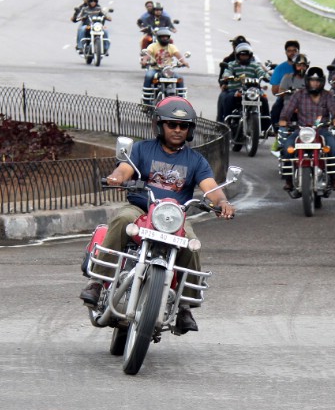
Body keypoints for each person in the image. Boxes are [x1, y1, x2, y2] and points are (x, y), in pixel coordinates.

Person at [80, 97, 235, 333]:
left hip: (174, 217)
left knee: (192, 243)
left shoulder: (196, 160)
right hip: (141, 209)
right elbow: (124, 169)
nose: (177, 130)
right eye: (172, 124)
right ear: (160, 125)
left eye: (183, 126)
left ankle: (184, 307)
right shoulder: (142, 149)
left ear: (189, 130)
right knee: (121, 219)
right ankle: (97, 284)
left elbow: (210, 187)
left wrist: (222, 202)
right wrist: (117, 178)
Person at [277, 66, 335, 191]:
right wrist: (284, 119)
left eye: (317, 81)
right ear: (307, 81)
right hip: (302, 131)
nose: (314, 83)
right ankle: (288, 180)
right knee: (287, 147)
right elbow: (288, 110)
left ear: (322, 82)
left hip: (321, 130)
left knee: (333, 145)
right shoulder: (298, 95)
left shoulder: (328, 95)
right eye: (312, 80)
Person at [220, 42, 270, 124]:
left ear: (250, 55)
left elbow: (261, 73)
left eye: (246, 55)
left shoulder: (255, 65)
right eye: (242, 55)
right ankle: (227, 123)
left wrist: (267, 77)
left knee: (264, 99)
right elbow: (227, 72)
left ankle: (266, 125)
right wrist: (226, 77)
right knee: (227, 99)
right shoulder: (231, 64)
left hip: (253, 91)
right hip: (235, 90)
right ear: (237, 55)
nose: (244, 57)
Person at [141, 28, 190, 103]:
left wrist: (184, 62)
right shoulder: (153, 46)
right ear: (158, 37)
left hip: (168, 70)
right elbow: (148, 53)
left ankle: (181, 101)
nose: (165, 38)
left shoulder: (172, 47)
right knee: (148, 76)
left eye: (166, 37)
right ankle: (146, 102)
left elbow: (178, 55)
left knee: (180, 78)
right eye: (163, 37)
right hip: (155, 69)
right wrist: (144, 60)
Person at [272, 53, 309, 130]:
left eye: (304, 66)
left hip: (306, 106)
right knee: (275, 110)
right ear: (295, 66)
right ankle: (278, 134)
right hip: (289, 105)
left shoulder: (309, 79)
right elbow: (280, 91)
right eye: (299, 65)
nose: (301, 68)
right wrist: (288, 91)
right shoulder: (287, 77)